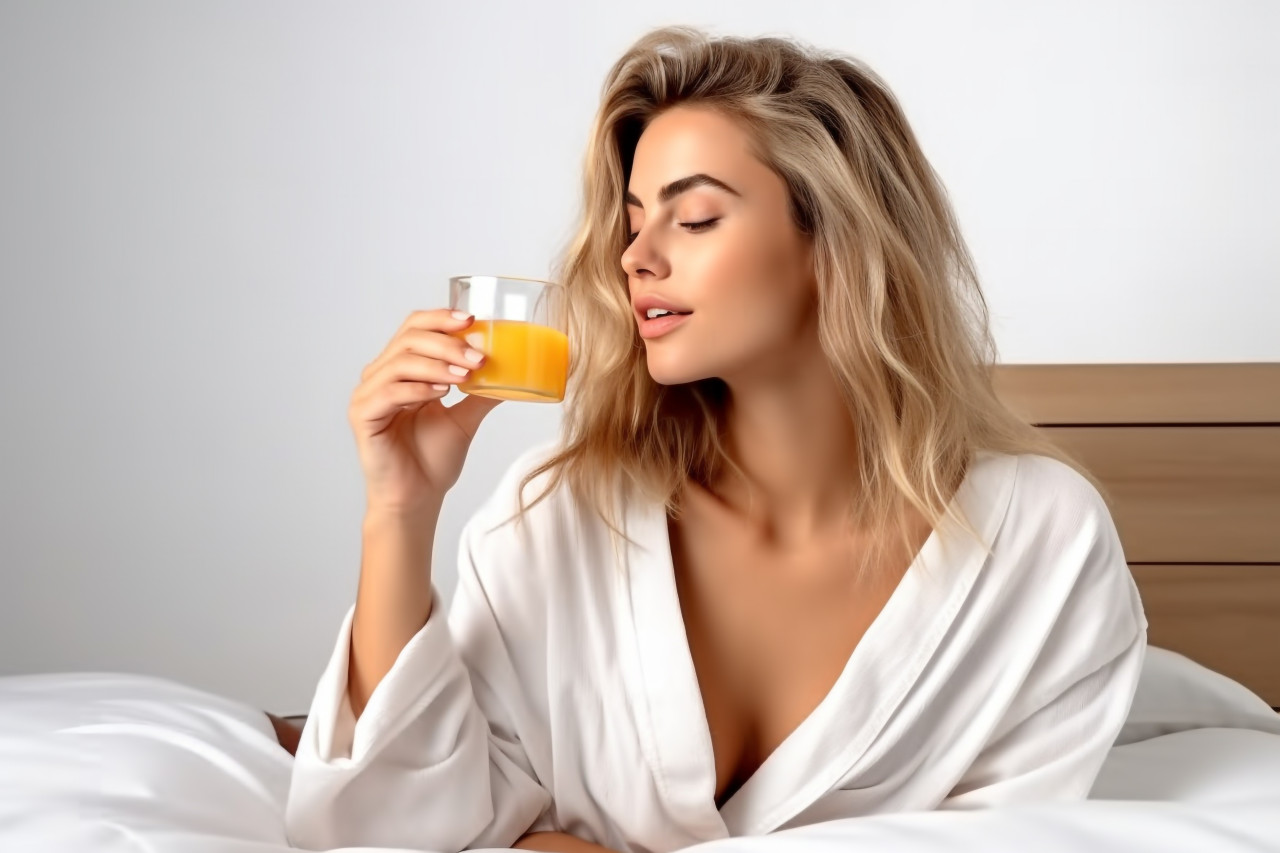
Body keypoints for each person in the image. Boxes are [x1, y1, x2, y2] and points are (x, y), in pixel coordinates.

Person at [284, 25, 1147, 853]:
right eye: (632, 221)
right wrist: (401, 507)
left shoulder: (1041, 539)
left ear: (834, 243)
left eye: (693, 218)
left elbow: (1022, 836)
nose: (635, 258)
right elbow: (386, 830)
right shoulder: (557, 511)